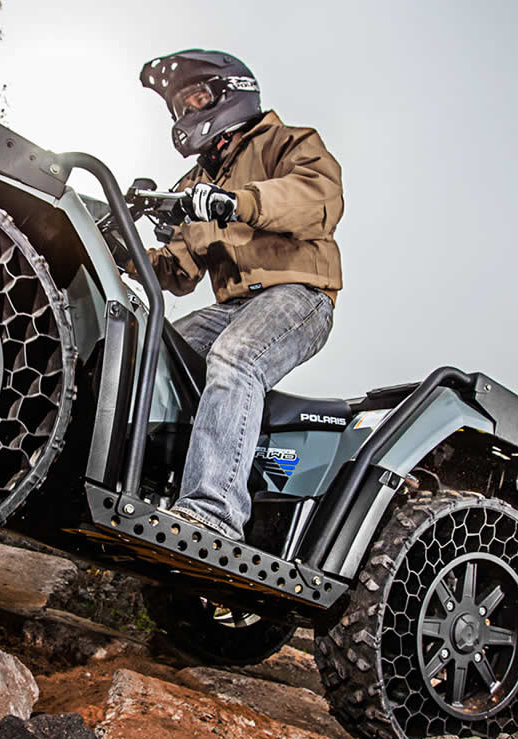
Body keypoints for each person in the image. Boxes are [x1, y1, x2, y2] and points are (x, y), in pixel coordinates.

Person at [135, 49, 343, 542]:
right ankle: (145, 487)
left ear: (231, 93)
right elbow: (179, 270)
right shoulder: (198, 182)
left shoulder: (287, 142)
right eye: (180, 107)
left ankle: (213, 511)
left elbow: (318, 197)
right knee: (151, 351)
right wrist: (126, 248)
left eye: (196, 98)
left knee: (236, 358)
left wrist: (240, 203)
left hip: (299, 293)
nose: (187, 113)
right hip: (233, 305)